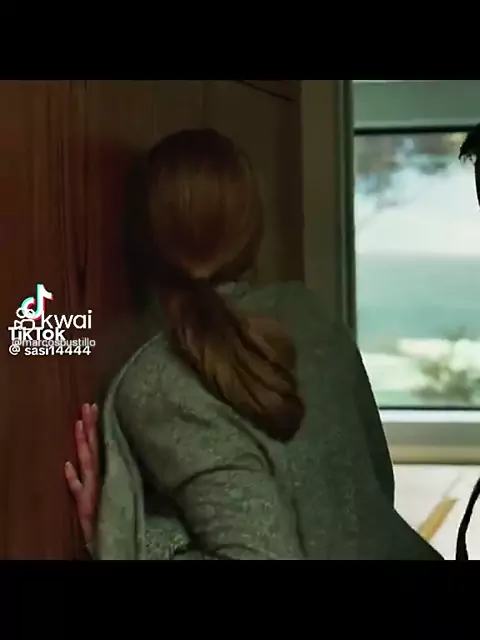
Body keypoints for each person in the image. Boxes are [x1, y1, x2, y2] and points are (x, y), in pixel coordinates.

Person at [65, 128, 443, 560]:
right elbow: (375, 487)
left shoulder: (158, 386)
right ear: (252, 231)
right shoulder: (310, 315)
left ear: (138, 243)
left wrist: (130, 537)